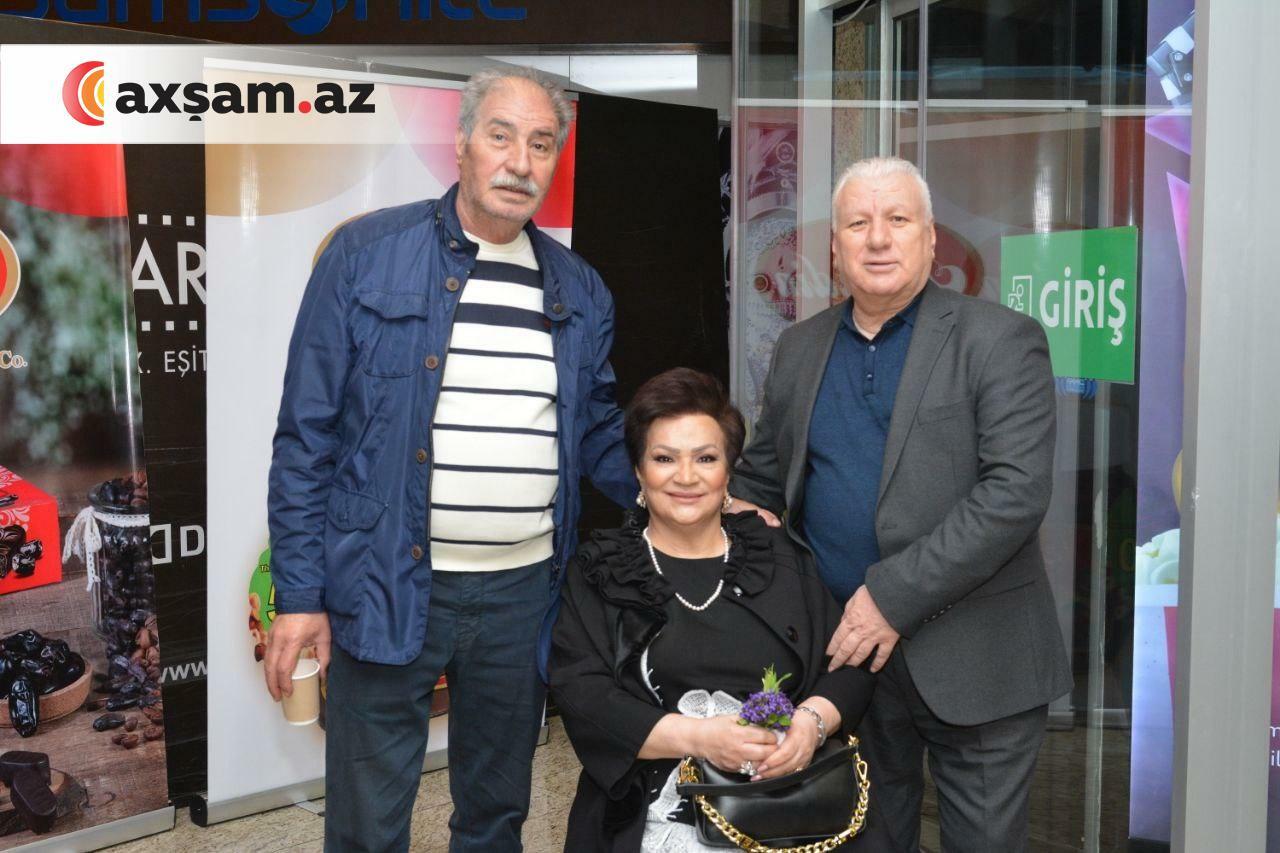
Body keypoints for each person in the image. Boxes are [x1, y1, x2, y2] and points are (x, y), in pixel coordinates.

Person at [263, 66, 637, 852]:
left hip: (523, 595)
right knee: (367, 824)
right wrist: (299, 594)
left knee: (496, 814)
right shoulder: (366, 255)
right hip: (386, 583)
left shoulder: (580, 289)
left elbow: (598, 428)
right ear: (462, 143)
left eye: (542, 144)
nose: (520, 161)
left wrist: (684, 487)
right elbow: (306, 436)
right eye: (502, 135)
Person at [729, 156, 1072, 852]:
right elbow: (762, 483)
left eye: (897, 219)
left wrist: (888, 598)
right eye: (858, 223)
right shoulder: (799, 349)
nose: (878, 238)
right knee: (868, 840)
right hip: (850, 667)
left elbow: (1014, 495)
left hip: (980, 659)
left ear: (931, 237)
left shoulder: (999, 339)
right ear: (835, 246)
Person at [551, 368, 896, 852]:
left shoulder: (777, 556)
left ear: (728, 471)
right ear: (638, 471)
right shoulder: (602, 570)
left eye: (706, 458)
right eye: (664, 458)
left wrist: (811, 724)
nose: (686, 476)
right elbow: (583, 694)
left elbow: (849, 662)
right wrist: (699, 738)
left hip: (794, 804)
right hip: (655, 806)